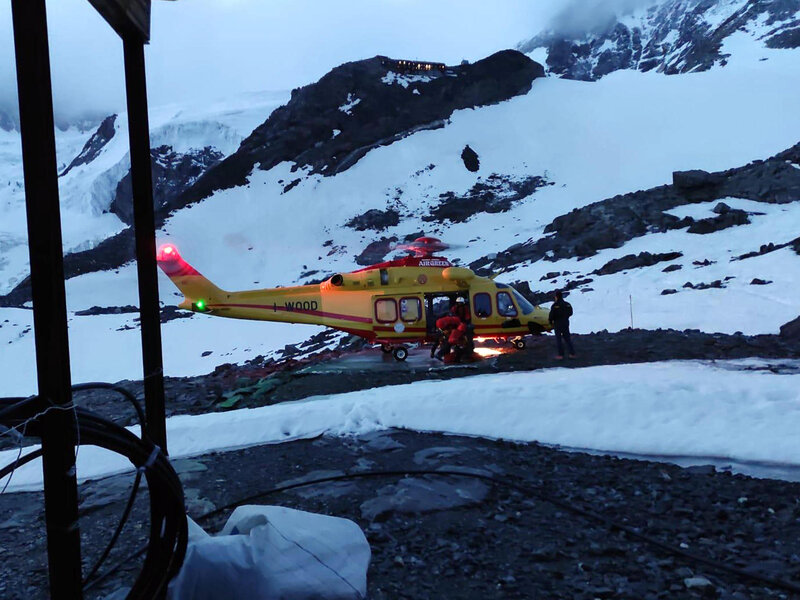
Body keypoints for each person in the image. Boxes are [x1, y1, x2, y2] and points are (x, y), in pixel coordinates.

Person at [549, 290, 575, 359]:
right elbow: (571, 313)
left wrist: (551, 322)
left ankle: (561, 355)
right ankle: (572, 354)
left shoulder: (555, 306)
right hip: (565, 323)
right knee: (567, 339)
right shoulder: (567, 304)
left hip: (557, 324)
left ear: (556, 297)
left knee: (559, 339)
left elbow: (551, 316)